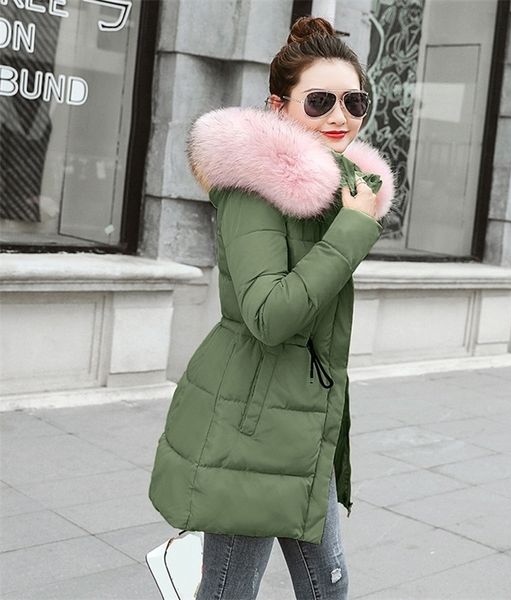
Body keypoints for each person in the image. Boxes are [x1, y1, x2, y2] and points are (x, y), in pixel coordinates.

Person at [148, 15, 395, 600]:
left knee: (328, 587)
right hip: (253, 429)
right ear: (279, 106)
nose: (340, 116)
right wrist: (353, 230)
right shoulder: (254, 191)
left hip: (304, 423)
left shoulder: (338, 192)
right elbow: (269, 314)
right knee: (231, 590)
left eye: (354, 101)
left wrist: (349, 220)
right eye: (320, 101)